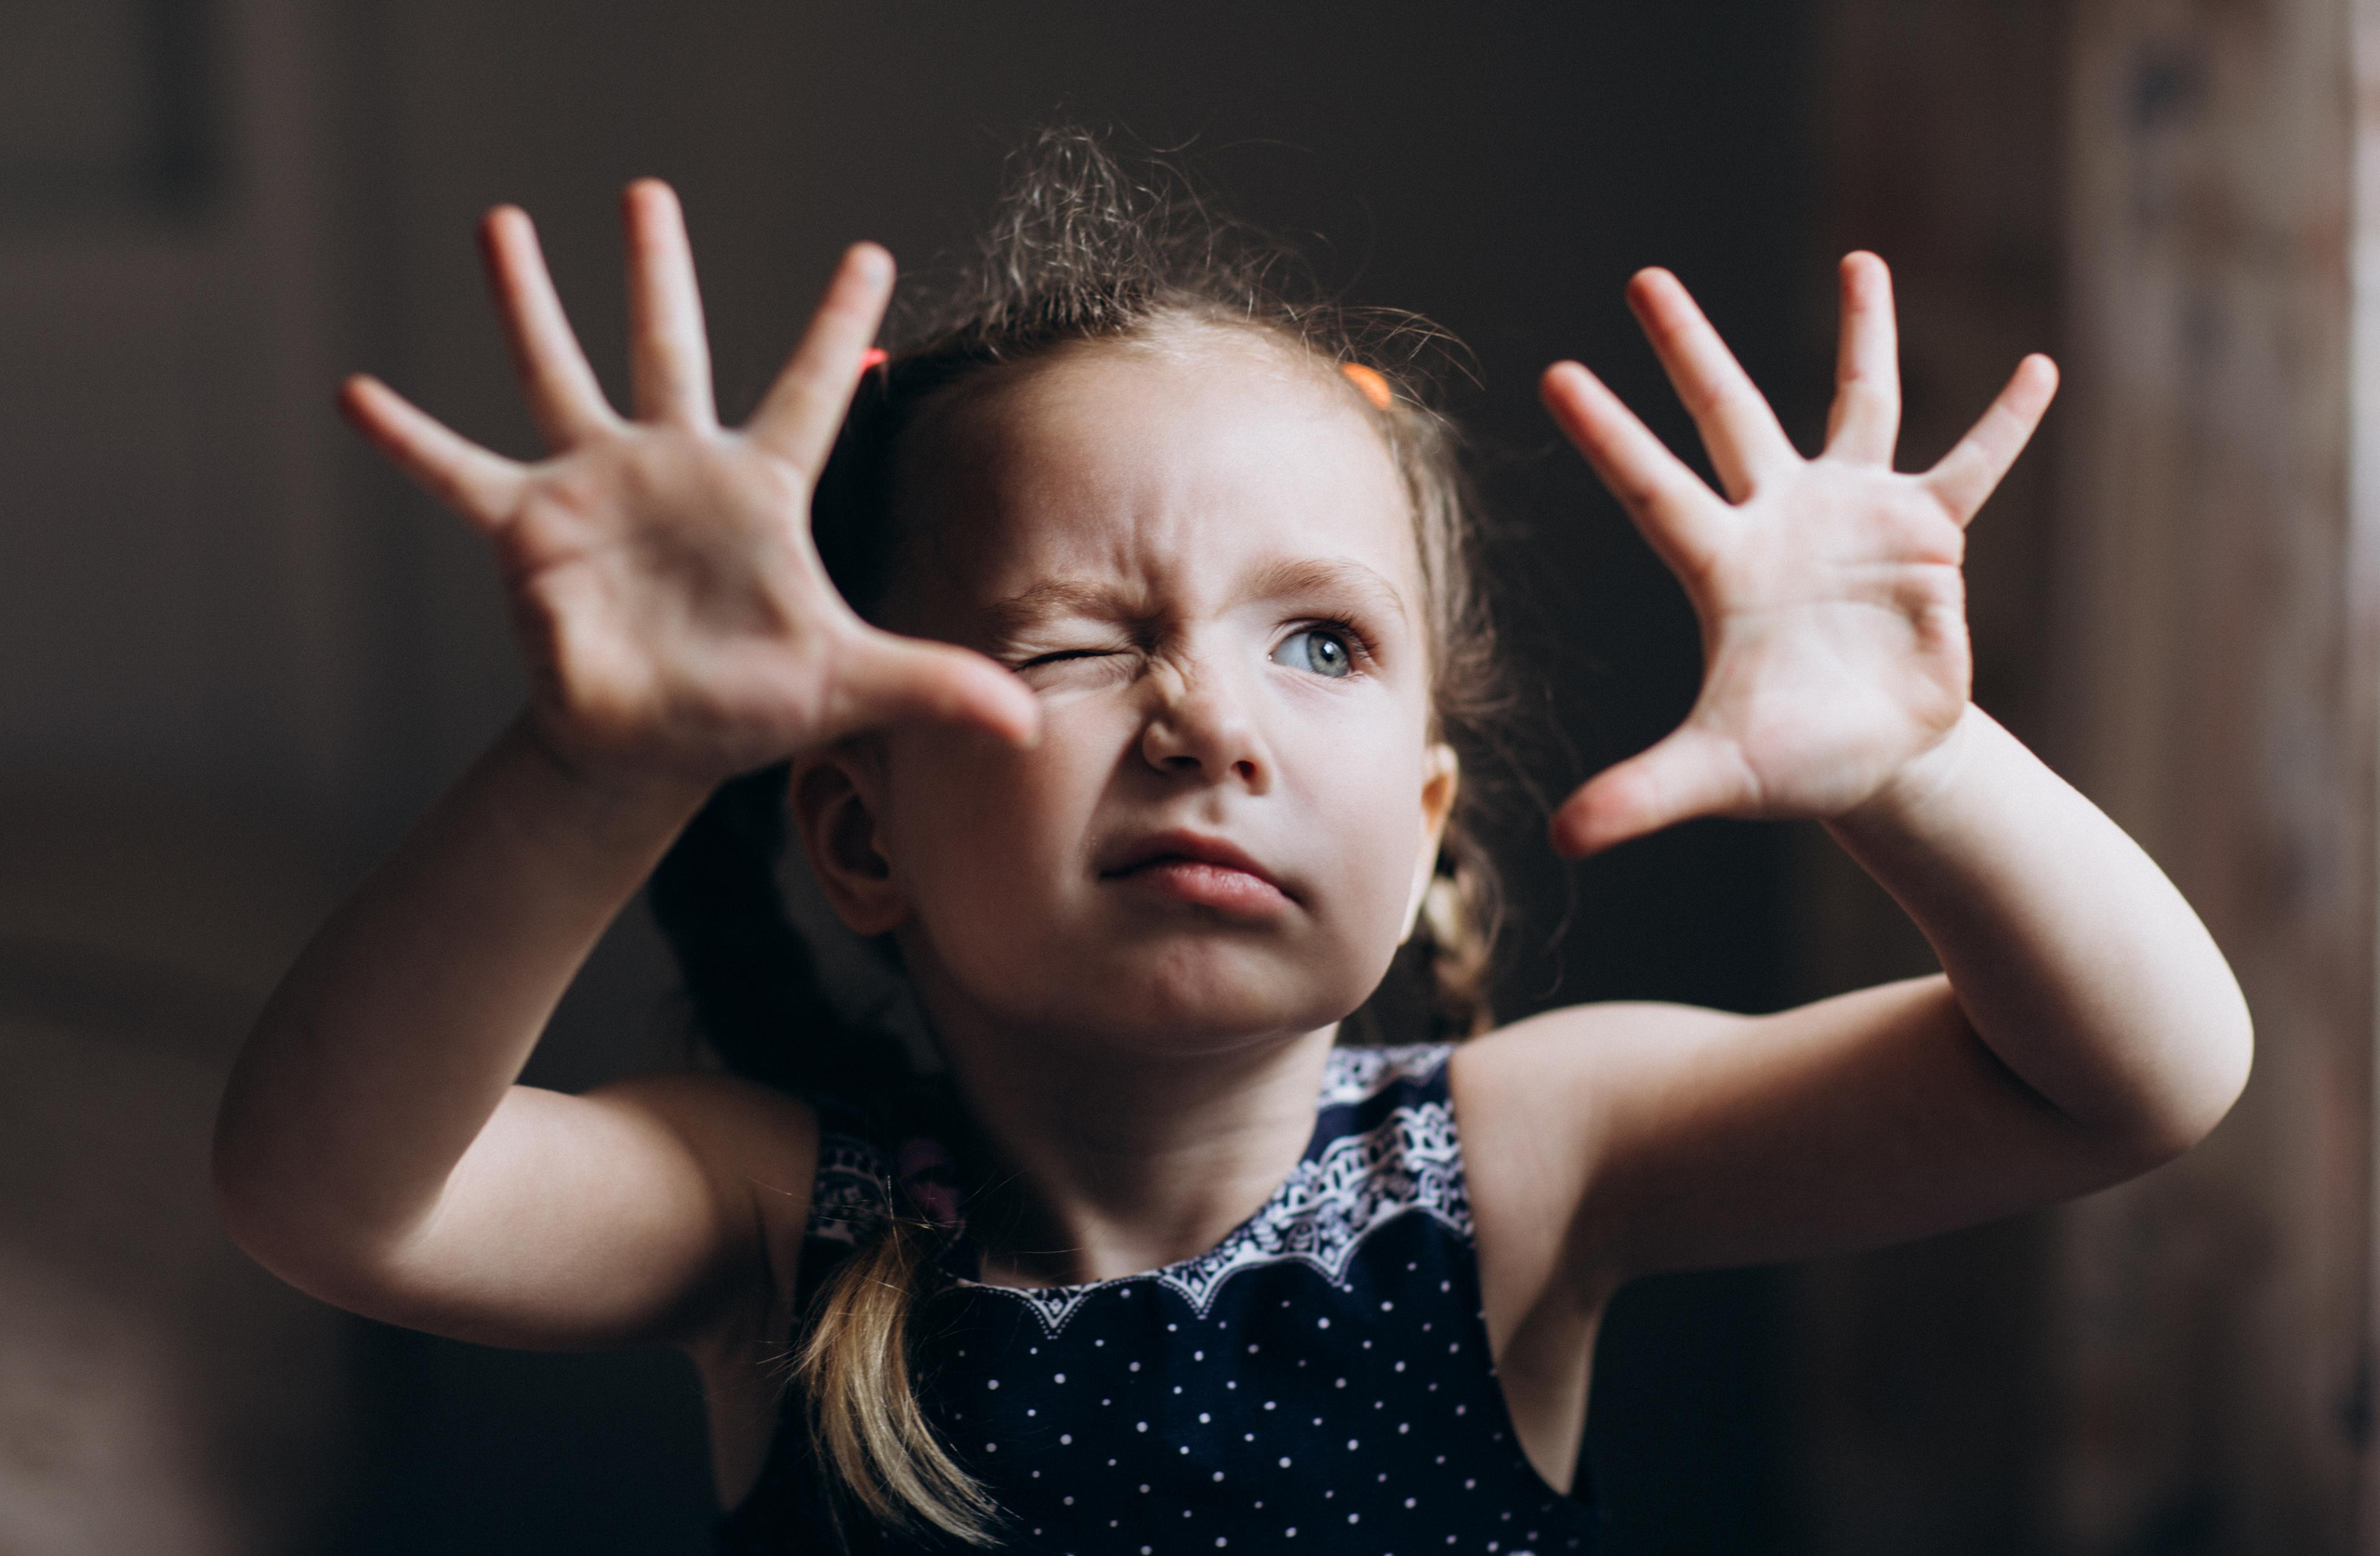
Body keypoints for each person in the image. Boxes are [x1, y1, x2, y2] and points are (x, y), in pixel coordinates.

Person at [210, 132, 2252, 1553]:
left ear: (1425, 813)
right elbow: (334, 1199)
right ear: (861, 829)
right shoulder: (777, 1222)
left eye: (1322, 643)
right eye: (1082, 639)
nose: (1206, 715)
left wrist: (1919, 762)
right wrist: (595, 768)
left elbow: (2131, 1082)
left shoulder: (1534, 1164)